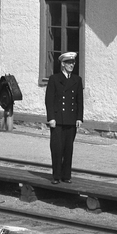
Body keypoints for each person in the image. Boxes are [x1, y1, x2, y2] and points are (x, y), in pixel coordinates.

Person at [45, 51, 84, 184]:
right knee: (57, 148)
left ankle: (66, 175)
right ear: (62, 64)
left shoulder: (77, 80)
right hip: (57, 120)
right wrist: (51, 118)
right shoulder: (54, 79)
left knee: (68, 148)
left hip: (71, 119)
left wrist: (79, 118)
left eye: (73, 62)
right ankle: (56, 176)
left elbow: (79, 101)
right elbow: (49, 100)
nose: (72, 65)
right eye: (69, 63)